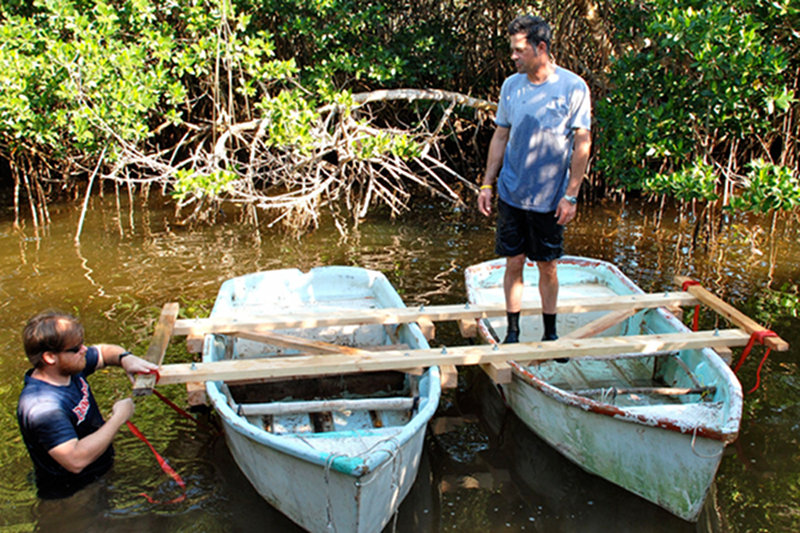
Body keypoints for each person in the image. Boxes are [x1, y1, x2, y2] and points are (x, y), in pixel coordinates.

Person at [478, 14, 591, 345]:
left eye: (518, 50)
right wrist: (487, 183)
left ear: (540, 48)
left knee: (547, 266)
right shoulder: (511, 87)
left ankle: (550, 334)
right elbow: (500, 136)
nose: (513, 56)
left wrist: (571, 195)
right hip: (512, 193)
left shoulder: (572, 87)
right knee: (513, 262)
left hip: (550, 197)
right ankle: (512, 332)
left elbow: (582, 144)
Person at [17, 310, 158, 499]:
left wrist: (125, 358)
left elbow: (102, 352)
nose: (84, 350)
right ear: (50, 357)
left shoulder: (69, 367)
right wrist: (119, 418)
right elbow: (75, 459)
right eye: (76, 348)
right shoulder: (43, 408)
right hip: (72, 494)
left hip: (98, 473)